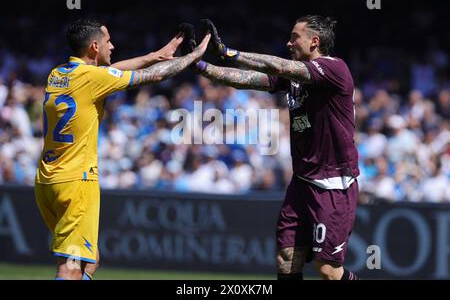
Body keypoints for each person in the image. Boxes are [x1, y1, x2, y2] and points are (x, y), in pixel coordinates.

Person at [179, 16, 360, 280]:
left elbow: (277, 65)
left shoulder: (335, 69)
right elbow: (250, 79)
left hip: (333, 183)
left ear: (315, 42)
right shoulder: (294, 77)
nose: (288, 43)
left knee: (329, 271)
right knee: (286, 260)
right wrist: (202, 66)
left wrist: (230, 53)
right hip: (301, 183)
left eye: (294, 37)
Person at [34, 19, 210, 280]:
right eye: (108, 42)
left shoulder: (58, 74)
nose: (112, 46)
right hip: (76, 182)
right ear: (94, 47)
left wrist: (155, 55)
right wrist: (194, 56)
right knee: (71, 266)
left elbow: (111, 71)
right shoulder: (94, 78)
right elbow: (157, 76)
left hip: (47, 181)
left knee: (90, 260)